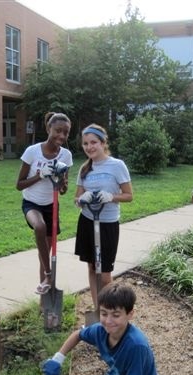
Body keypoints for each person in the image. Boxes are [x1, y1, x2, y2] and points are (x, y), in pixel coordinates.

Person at [74, 124, 132, 309]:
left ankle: (110, 310)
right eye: (85, 144)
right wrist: (82, 199)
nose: (89, 147)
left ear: (103, 143)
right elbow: (77, 199)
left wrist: (111, 197)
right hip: (87, 222)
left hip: (107, 224)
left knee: (105, 274)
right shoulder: (84, 168)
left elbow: (129, 195)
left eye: (93, 142)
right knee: (92, 267)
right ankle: (97, 309)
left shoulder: (117, 165)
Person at [16, 112, 73, 295]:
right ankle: (49, 274)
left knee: (45, 253)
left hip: (51, 206)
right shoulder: (32, 151)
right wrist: (40, 175)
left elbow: (63, 190)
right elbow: (19, 185)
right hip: (31, 203)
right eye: (58, 131)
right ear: (49, 129)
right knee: (39, 227)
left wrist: (61, 182)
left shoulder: (66, 156)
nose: (62, 136)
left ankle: (45, 300)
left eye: (65, 133)